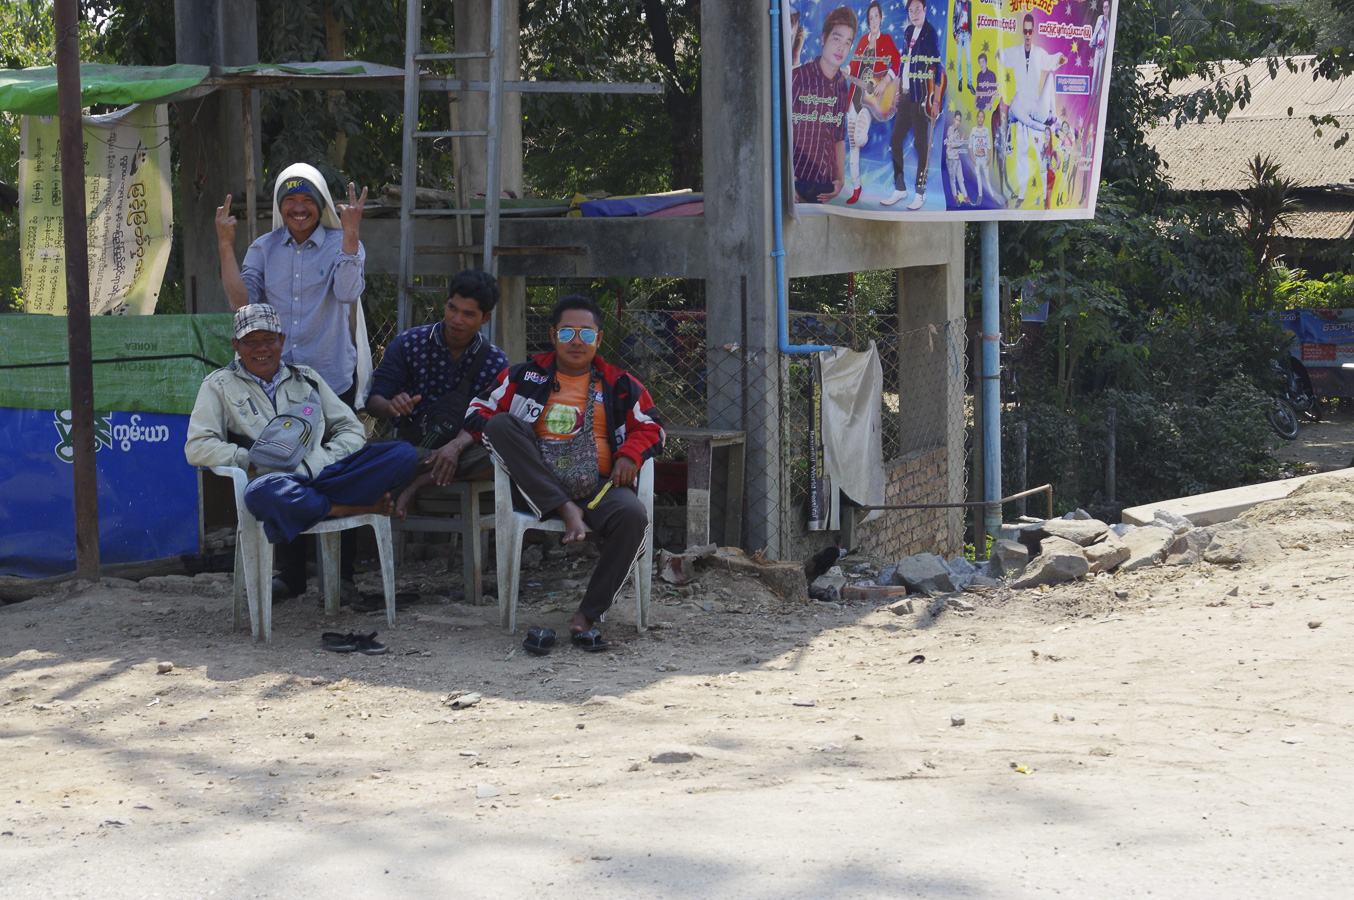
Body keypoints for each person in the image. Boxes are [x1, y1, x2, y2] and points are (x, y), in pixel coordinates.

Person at [464, 295, 665, 645]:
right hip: (535, 484)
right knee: (499, 426)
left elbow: (653, 427)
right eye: (568, 332)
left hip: (599, 487)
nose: (576, 341)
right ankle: (564, 506)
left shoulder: (619, 384)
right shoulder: (524, 376)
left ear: (598, 340)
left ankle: (588, 613)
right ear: (553, 333)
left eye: (586, 334)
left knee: (633, 515)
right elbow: (477, 410)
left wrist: (629, 455)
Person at [185, 305, 416, 598]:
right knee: (262, 494)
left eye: (268, 340)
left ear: (282, 340)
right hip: (280, 482)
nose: (261, 349)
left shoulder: (306, 378)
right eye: (250, 342)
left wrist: (328, 457)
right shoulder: (218, 385)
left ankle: (324, 503)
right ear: (236, 346)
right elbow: (198, 446)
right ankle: (350, 508)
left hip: (325, 476)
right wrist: (249, 461)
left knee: (403, 454)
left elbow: (351, 428)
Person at [215, 164, 371, 595]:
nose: (298, 208)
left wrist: (352, 234)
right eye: (290, 200)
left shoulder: (343, 243)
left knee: (337, 471)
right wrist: (226, 245)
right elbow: (240, 303)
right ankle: (293, 576)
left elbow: (346, 292)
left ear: (320, 206)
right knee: (280, 470)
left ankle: (343, 580)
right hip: (277, 383)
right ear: (280, 208)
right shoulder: (264, 249)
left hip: (329, 379)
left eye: (307, 201)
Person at [364, 269, 510, 516]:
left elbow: (489, 416)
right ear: (446, 303)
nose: (457, 319)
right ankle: (426, 466)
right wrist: (389, 405)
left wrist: (454, 447)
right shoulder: (408, 343)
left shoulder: (495, 361)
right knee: (370, 452)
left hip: (465, 451)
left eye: (468, 314)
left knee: (508, 455)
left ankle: (418, 480)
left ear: (485, 318)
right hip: (412, 448)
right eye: (453, 308)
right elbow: (374, 401)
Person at [998, 14, 1067, 208]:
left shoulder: (1038, 53)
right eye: (1025, 31)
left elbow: (1050, 60)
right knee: (1021, 155)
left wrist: (1059, 59)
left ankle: (1046, 195)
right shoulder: (1016, 52)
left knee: (1042, 154)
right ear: (1022, 32)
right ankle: (1021, 194)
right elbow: (1004, 55)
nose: (1027, 34)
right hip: (1023, 113)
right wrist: (998, 55)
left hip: (1036, 109)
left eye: (1030, 31)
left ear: (1033, 31)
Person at [791, 6, 857, 203]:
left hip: (825, 187)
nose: (841, 48)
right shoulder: (798, 77)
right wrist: (784, 178)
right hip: (796, 182)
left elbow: (838, 134)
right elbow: (780, 130)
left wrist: (841, 179)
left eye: (847, 42)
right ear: (823, 38)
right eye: (837, 39)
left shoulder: (841, 84)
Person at [883, 0, 943, 211]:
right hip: (906, 95)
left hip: (921, 97)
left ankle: (920, 191)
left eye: (918, 9)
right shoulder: (908, 32)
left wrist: (936, 100)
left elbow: (936, 66)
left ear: (925, 10)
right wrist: (898, 91)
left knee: (920, 144)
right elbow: (903, 62)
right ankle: (900, 188)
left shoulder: (930, 33)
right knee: (895, 138)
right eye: (911, 10)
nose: (914, 13)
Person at [844, 2, 900, 205]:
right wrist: (846, 71)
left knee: (859, 138)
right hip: (855, 98)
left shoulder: (886, 39)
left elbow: (896, 61)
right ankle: (856, 188)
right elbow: (853, 64)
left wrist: (885, 81)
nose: (873, 20)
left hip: (870, 101)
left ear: (881, 18)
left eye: (876, 16)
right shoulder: (861, 41)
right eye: (870, 17)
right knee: (853, 145)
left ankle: (862, 139)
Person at [968, 109, 995, 204]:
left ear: (984, 119)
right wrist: (972, 158)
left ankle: (992, 196)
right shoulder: (973, 130)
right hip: (976, 159)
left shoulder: (986, 130)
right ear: (976, 118)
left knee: (987, 178)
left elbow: (989, 144)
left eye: (982, 117)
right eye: (979, 117)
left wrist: (989, 157)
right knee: (979, 178)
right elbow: (970, 145)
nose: (980, 119)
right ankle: (980, 195)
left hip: (984, 158)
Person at [945, 112, 969, 205]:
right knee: (953, 180)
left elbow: (956, 146)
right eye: (957, 119)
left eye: (960, 120)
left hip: (957, 158)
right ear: (953, 119)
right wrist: (961, 141)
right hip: (951, 159)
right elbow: (951, 145)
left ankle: (966, 197)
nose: (958, 122)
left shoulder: (957, 131)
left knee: (961, 179)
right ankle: (956, 197)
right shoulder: (950, 129)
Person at [952, 0, 974, 94]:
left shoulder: (969, 4)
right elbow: (954, 18)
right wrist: (955, 33)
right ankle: (960, 81)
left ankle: (969, 83)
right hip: (959, 34)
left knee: (968, 60)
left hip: (966, 34)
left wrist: (971, 32)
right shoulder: (957, 3)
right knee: (959, 59)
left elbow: (970, 19)